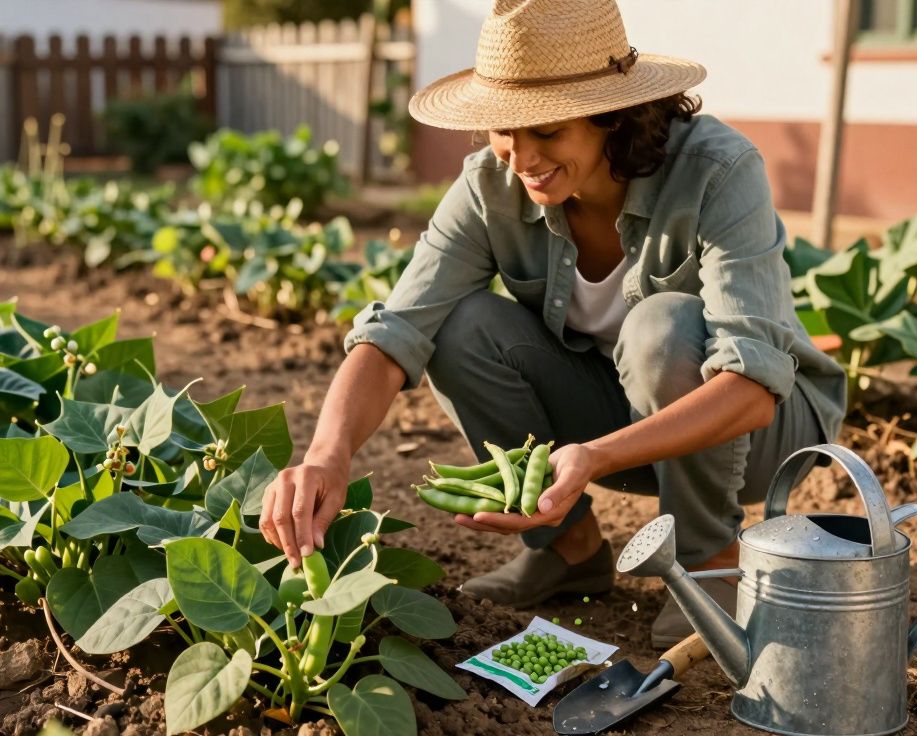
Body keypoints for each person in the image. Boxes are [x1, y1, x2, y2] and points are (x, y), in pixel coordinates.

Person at [259, 0, 846, 648]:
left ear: (613, 117)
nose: (520, 157)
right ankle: (569, 550)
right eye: (502, 131)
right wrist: (326, 457)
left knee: (661, 327)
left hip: (756, 437)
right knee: (462, 327)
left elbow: (752, 385)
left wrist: (594, 456)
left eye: (545, 131)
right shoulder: (492, 184)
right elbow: (396, 330)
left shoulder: (716, 171)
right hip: (609, 427)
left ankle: (707, 562)